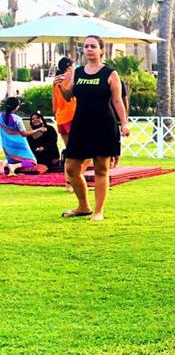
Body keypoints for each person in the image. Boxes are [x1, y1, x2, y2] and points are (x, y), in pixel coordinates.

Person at [54, 35, 130, 220]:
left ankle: (98, 211)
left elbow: (117, 100)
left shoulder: (110, 73)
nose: (89, 49)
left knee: (101, 169)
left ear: (101, 50)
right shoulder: (78, 72)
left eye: (93, 46)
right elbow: (68, 96)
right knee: (72, 168)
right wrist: (60, 86)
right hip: (80, 125)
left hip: (104, 125)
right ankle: (83, 206)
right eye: (86, 46)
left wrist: (124, 123)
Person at [1, 97, 44, 175]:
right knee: (32, 162)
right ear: (17, 107)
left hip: (7, 146)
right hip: (20, 145)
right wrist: (39, 129)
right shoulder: (17, 119)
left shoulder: (0, 116)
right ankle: (14, 166)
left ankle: (4, 164)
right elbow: (24, 134)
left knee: (12, 160)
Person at [52, 56, 77, 150]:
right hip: (71, 114)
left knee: (69, 148)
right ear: (69, 65)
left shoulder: (57, 79)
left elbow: (54, 99)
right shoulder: (73, 77)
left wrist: (55, 113)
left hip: (60, 116)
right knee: (77, 146)